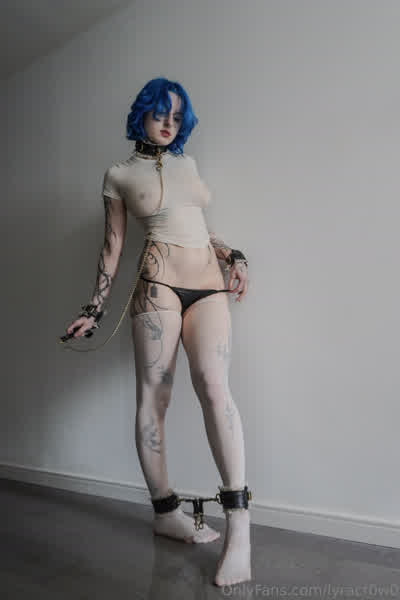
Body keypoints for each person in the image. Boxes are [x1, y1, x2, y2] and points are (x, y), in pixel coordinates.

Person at [65, 77, 251, 587]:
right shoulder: (119, 174)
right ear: (142, 114)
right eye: (159, 113)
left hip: (208, 285)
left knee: (214, 386)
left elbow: (195, 226)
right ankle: (166, 512)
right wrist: (94, 310)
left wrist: (233, 255)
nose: (168, 123)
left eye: (176, 116)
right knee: (155, 395)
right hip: (158, 287)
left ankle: (240, 526)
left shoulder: (187, 163)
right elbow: (112, 247)